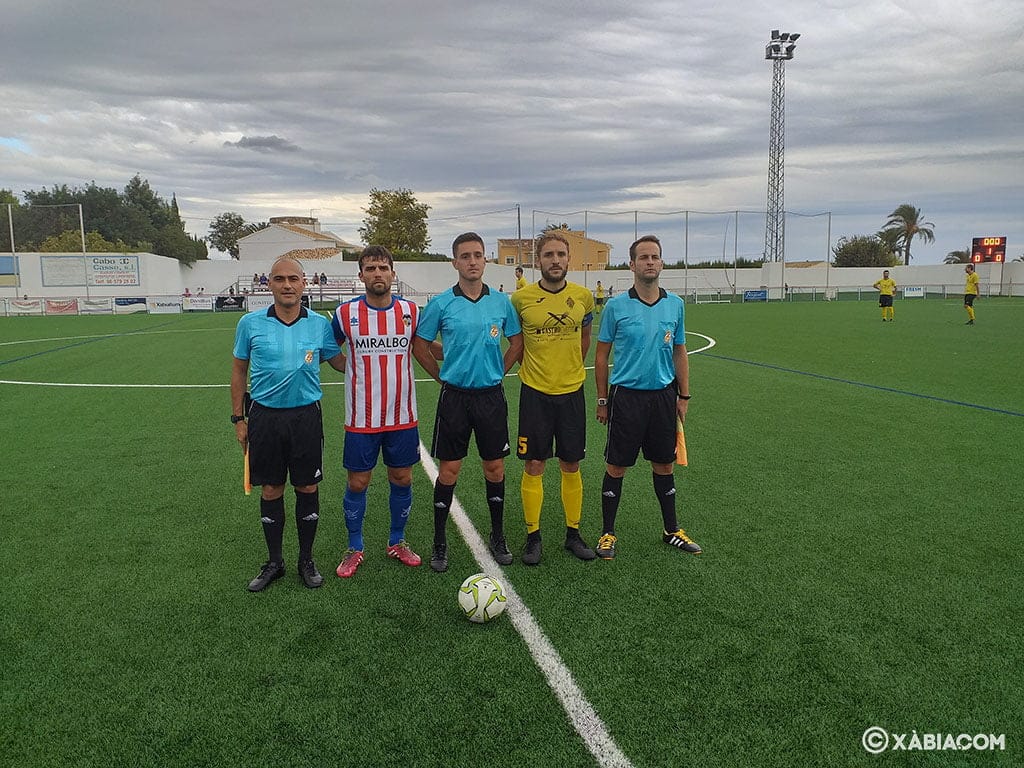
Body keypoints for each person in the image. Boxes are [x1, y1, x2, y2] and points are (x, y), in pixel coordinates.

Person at [231, 256, 344, 592]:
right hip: (264, 417)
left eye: (293, 278)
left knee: (308, 487)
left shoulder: (319, 325)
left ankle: (306, 560)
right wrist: (239, 418)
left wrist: (374, 357)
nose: (287, 285)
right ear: (269, 284)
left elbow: (338, 362)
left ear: (304, 282)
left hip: (306, 416)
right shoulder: (250, 323)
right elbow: (238, 370)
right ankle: (275, 561)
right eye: (279, 279)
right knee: (271, 488)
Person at [413, 232, 523, 572]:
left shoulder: (502, 303)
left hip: (491, 396)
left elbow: (516, 343)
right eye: (465, 256)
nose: (472, 261)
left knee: (495, 467)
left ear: (485, 259)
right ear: (455, 262)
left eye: (477, 255)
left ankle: (498, 535)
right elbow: (421, 344)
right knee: (450, 470)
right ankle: (439, 541)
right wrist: (440, 377)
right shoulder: (442, 303)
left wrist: (498, 372)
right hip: (455, 398)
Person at [593, 235, 701, 560]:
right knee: (616, 466)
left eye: (655, 257)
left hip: (663, 398)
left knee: (664, 464)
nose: (650, 262)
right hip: (626, 398)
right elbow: (601, 356)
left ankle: (671, 530)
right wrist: (602, 399)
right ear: (632, 265)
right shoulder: (615, 306)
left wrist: (684, 395)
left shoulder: (675, 305)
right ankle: (607, 533)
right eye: (643, 257)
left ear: (662, 263)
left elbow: (680, 350)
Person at [330, 245, 422, 578]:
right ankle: (355, 547)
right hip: (361, 418)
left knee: (402, 477)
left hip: (401, 415)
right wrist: (353, 370)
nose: (378, 273)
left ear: (393, 273)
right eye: (370, 269)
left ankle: (397, 541)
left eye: (383, 267)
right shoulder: (344, 314)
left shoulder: (412, 311)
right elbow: (331, 350)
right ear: (361, 276)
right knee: (358, 482)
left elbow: (424, 348)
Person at [510, 232, 596, 564]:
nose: (555, 260)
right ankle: (533, 537)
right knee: (534, 464)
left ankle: (573, 534)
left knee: (571, 463)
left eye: (561, 254)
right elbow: (517, 344)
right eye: (548, 255)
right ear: (538, 260)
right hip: (535, 393)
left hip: (572, 391)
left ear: (569, 259)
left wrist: (570, 366)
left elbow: (585, 338)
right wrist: (535, 368)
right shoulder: (520, 300)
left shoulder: (584, 297)